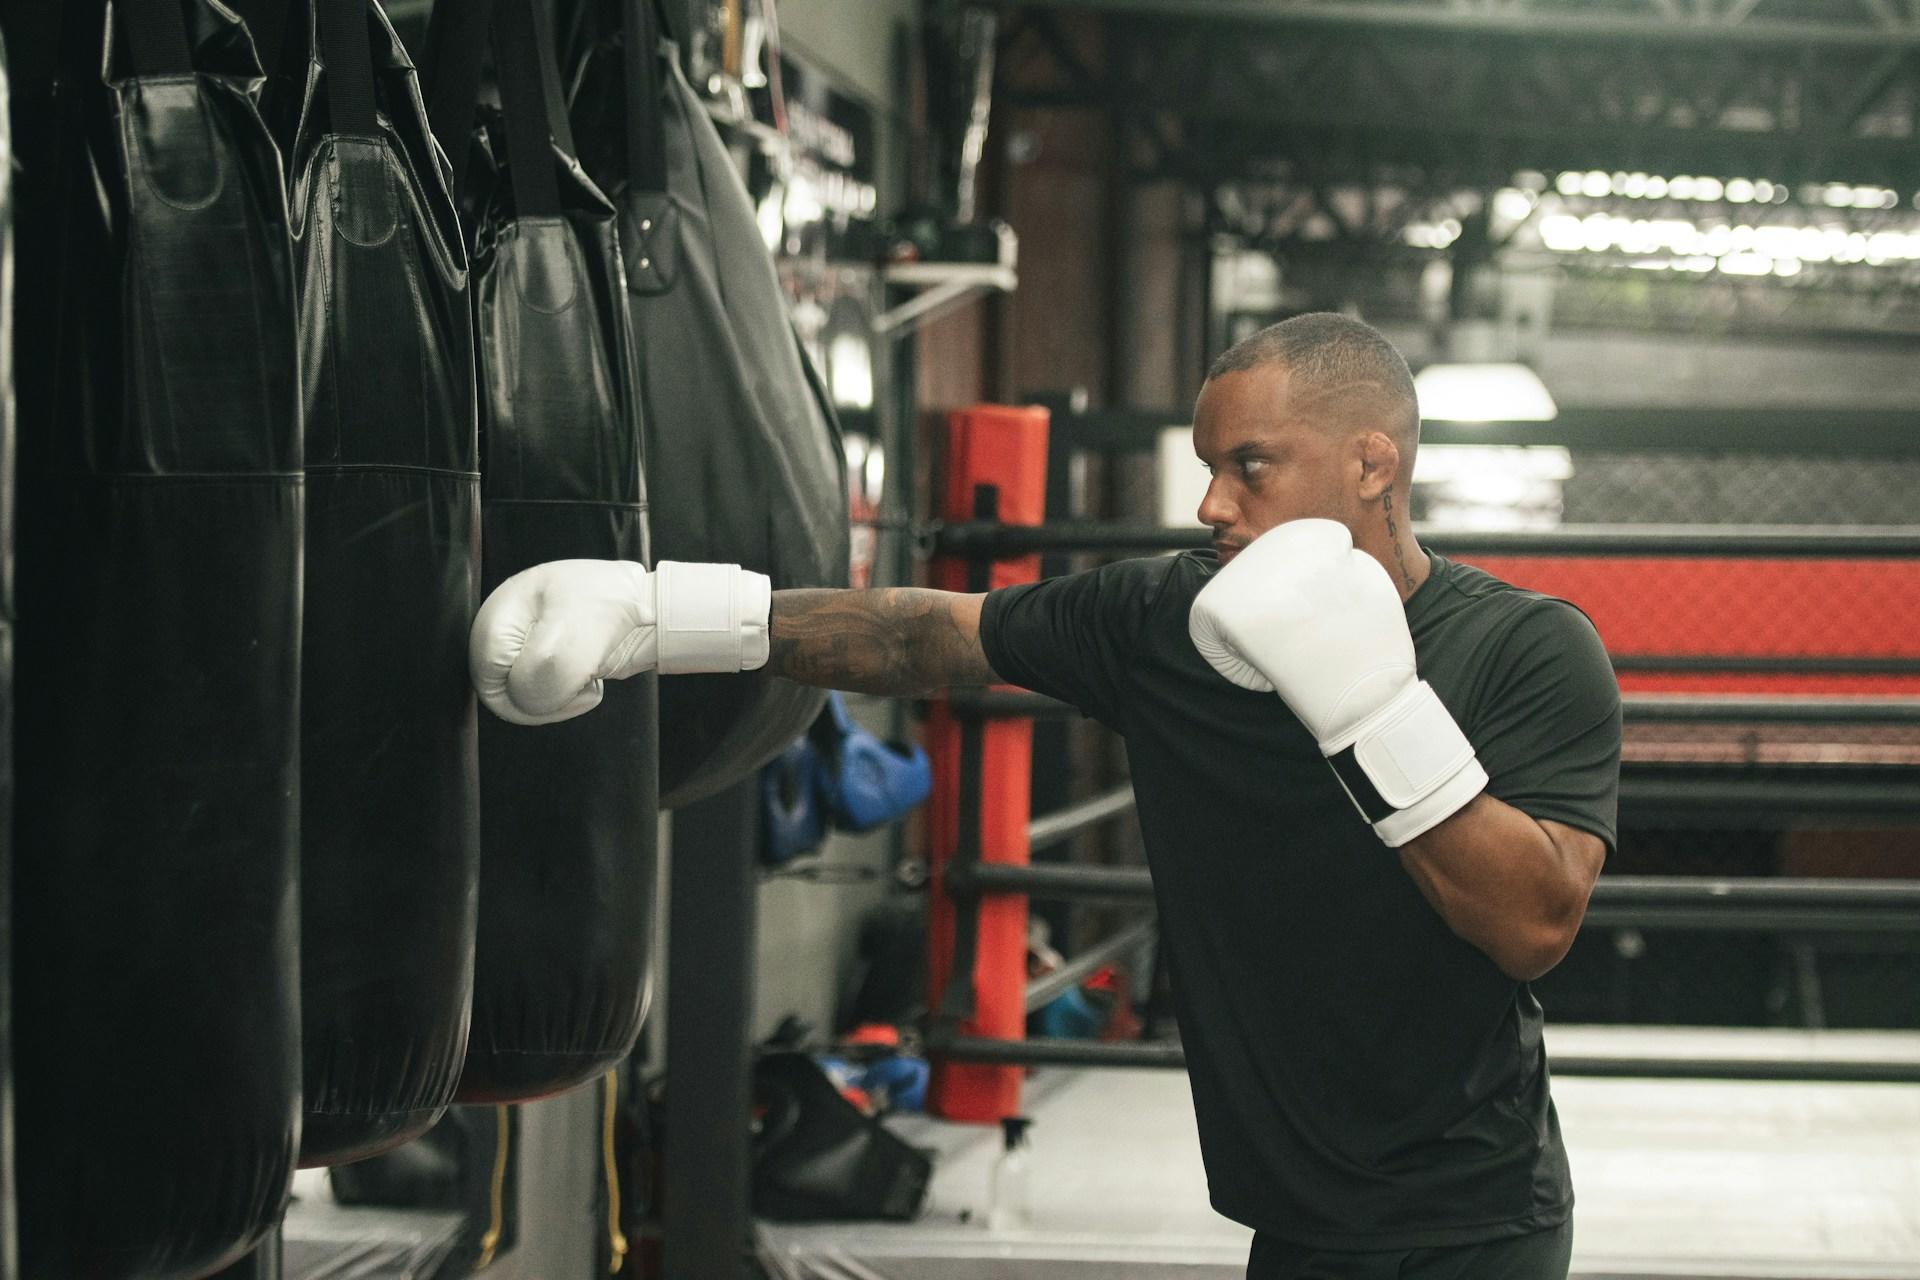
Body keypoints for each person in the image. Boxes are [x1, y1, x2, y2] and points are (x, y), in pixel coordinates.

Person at [469, 312, 1620, 1279]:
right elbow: (928, 635)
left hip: (1475, 1217)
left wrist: (1373, 710)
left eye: (1250, 467)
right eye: (1209, 465)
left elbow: (1534, 921)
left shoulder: (1528, 650)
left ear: (1374, 465)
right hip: (1296, 1211)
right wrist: (665, 615)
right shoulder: (1164, 619)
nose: (1212, 505)